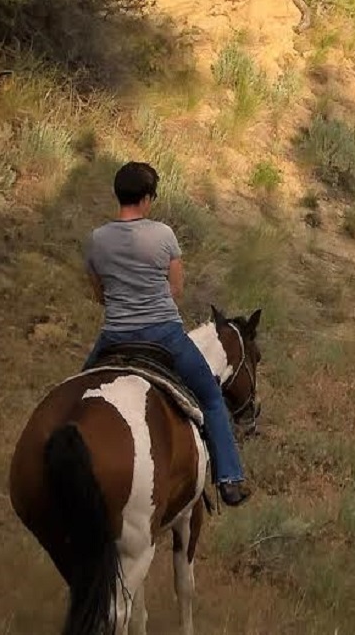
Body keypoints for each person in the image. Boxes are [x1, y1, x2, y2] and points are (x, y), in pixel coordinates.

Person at [82, 162, 249, 506]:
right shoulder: (163, 235)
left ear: (118, 195)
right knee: (212, 397)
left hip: (114, 336)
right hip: (164, 336)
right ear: (146, 198)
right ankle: (229, 478)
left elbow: (99, 294)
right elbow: (175, 289)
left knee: (80, 393)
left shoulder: (97, 240)